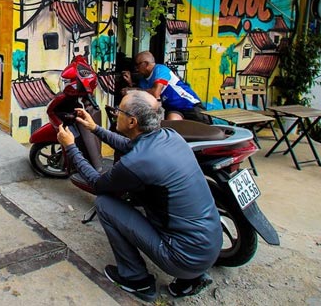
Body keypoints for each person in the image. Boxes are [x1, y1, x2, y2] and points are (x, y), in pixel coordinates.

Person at [56, 91, 221, 301]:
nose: (115, 114)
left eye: (119, 111)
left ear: (132, 121)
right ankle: (191, 279)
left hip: (182, 258)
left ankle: (137, 280)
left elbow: (98, 184)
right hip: (210, 247)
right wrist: (94, 128)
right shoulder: (169, 136)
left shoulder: (137, 163)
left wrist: (70, 147)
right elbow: (129, 145)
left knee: (105, 204)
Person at [133, 51, 210, 122]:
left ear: (146, 64)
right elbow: (143, 97)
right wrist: (130, 84)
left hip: (190, 106)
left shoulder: (160, 69)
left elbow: (155, 93)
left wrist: (134, 90)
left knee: (205, 131)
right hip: (174, 109)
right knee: (171, 123)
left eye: (137, 65)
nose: (136, 68)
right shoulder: (143, 80)